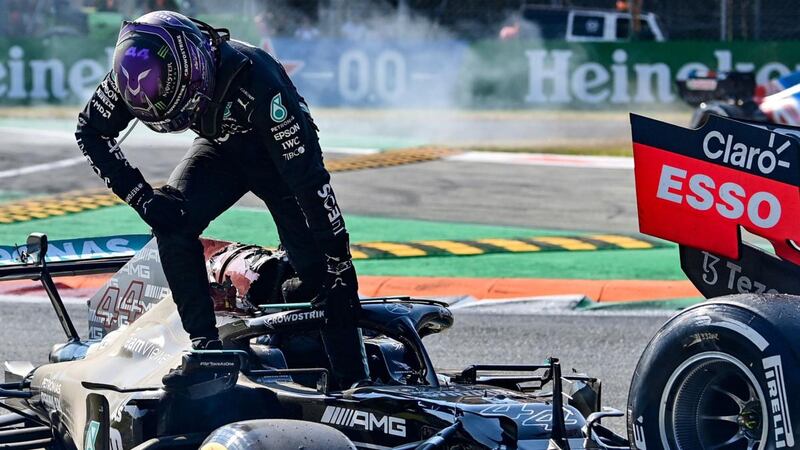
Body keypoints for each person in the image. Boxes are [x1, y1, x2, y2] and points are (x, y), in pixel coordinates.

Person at [74, 11, 368, 389]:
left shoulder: (260, 84)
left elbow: (310, 182)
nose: (184, 115)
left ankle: (354, 381)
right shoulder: (135, 69)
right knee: (170, 221)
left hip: (278, 159)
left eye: (184, 107)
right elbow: (90, 131)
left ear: (194, 71)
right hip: (219, 151)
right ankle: (205, 349)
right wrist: (142, 198)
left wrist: (339, 261)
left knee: (323, 275)